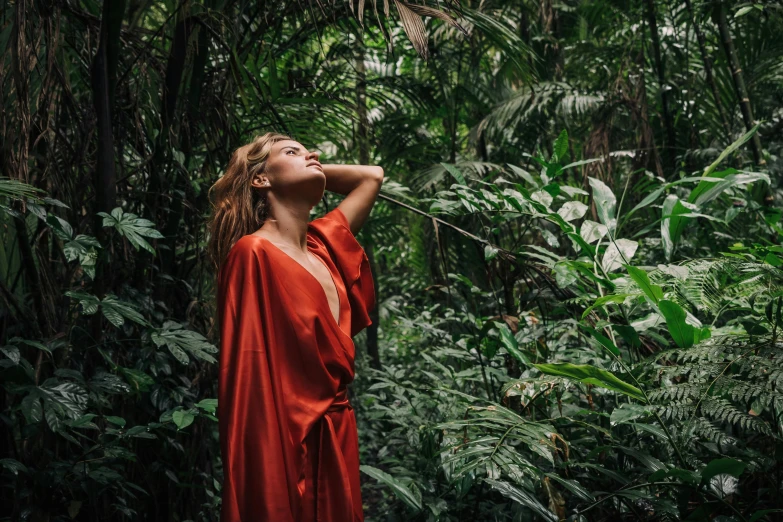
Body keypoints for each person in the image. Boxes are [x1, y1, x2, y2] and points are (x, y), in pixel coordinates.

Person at [206, 132, 383, 521]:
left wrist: (305, 165)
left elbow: (371, 176)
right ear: (260, 180)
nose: (312, 155)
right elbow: (248, 382)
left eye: (310, 151)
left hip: (336, 440)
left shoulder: (324, 247)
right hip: (286, 442)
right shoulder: (252, 254)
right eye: (293, 151)